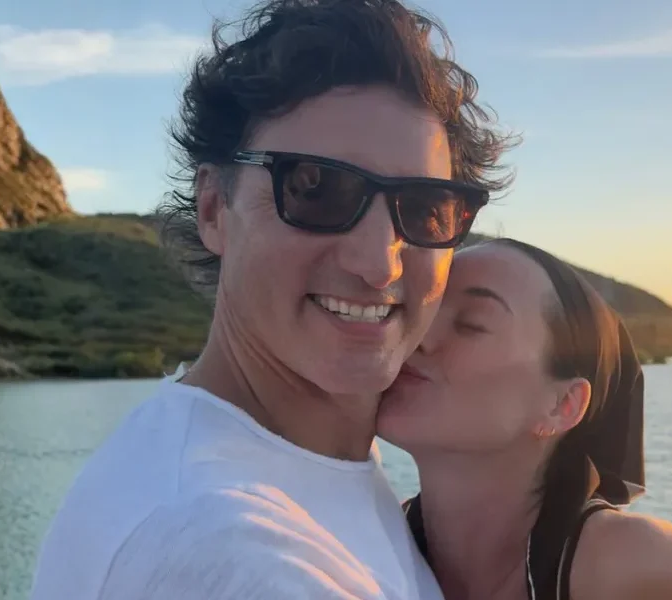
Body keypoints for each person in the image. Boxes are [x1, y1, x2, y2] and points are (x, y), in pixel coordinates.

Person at [28, 0, 516, 598]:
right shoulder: (232, 548)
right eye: (315, 189)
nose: (378, 262)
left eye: (424, 207)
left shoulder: (277, 463)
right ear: (214, 209)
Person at [377, 238, 672, 600]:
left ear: (563, 405)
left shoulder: (633, 568)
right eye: (425, 311)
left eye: (471, 324)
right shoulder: (369, 543)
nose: (419, 337)